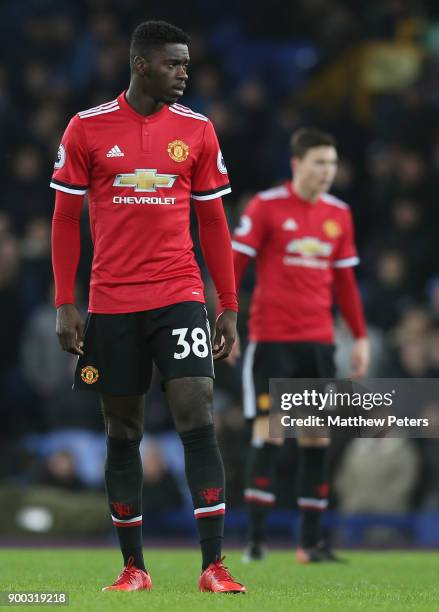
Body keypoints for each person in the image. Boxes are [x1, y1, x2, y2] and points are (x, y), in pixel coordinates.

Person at [50, 20, 245, 594]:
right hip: (111, 301)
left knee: (198, 413)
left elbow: (213, 221)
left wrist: (227, 303)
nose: (185, 72)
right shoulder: (87, 129)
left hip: (179, 294)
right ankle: (133, 567)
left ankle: (213, 566)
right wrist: (66, 301)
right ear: (141, 65)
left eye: (187, 63)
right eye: (174, 63)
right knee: (123, 430)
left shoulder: (199, 131)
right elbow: (65, 218)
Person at [231, 128, 370, 562]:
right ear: (297, 164)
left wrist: (360, 336)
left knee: (315, 436)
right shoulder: (266, 206)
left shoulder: (339, 214)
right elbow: (235, 264)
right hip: (272, 339)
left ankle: (310, 544)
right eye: (319, 162)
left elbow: (345, 282)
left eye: (332, 163)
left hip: (318, 343)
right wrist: (225, 319)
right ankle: (255, 542)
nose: (328, 171)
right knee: (269, 432)